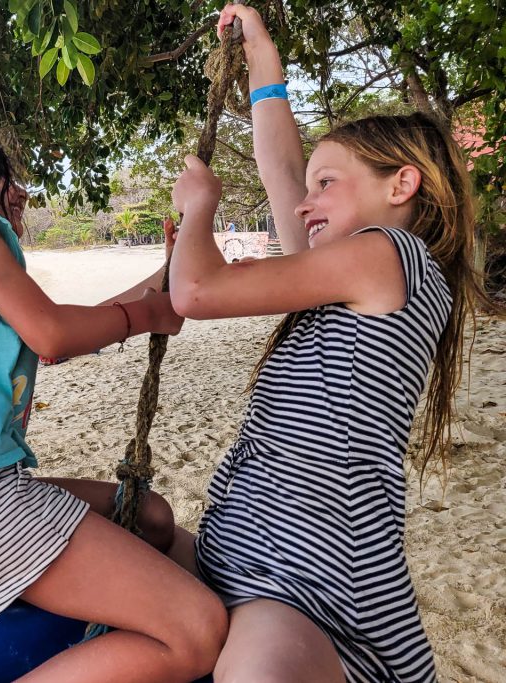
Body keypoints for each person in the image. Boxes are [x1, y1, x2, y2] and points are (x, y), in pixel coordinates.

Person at [165, 5, 495, 682]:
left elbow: (195, 291)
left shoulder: (387, 256)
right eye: (312, 187)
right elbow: (284, 171)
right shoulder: (346, 268)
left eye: (329, 184)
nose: (304, 204)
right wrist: (262, 60)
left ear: (403, 184)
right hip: (246, 551)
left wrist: (200, 208)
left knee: (255, 669)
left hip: (312, 581)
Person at [0, 131, 227, 682]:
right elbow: (53, 334)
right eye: (1, 175)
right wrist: (145, 317)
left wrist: (163, 283)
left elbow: (61, 331)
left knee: (152, 517)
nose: (21, 192)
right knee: (198, 631)